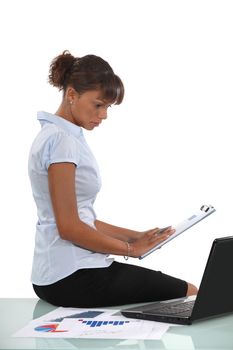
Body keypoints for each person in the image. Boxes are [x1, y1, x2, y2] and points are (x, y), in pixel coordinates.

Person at [28, 50, 198, 308]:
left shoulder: (58, 136)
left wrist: (135, 237)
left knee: (180, 292)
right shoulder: (61, 141)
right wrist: (131, 250)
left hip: (55, 273)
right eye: (98, 104)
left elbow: (83, 218)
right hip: (72, 275)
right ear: (71, 94)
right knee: (191, 292)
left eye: (107, 107)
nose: (104, 115)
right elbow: (70, 227)